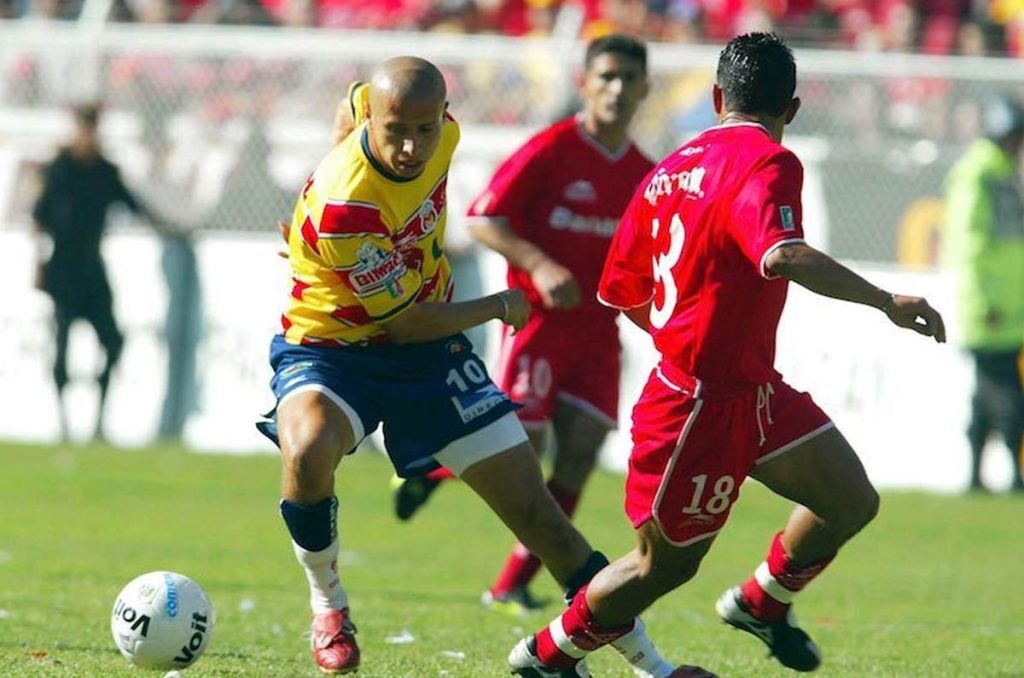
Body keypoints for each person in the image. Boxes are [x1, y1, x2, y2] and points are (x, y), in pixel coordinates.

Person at [509, 32, 946, 676]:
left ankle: (761, 603)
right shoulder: (768, 161)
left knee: (850, 498)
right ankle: (545, 656)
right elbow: (781, 254)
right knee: (661, 567)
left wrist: (687, 327)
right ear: (791, 110)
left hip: (750, 390)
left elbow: (621, 289)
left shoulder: (666, 169)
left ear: (717, 98)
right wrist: (886, 300)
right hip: (698, 406)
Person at [257, 56, 676, 677]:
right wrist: (499, 304)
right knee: (309, 448)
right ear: (376, 116)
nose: (410, 146)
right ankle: (328, 605)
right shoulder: (348, 205)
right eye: (394, 129)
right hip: (335, 347)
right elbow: (401, 321)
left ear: (442, 118)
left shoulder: (438, 130)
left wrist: (342, 136)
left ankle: (656, 669)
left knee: (541, 517)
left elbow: (350, 104)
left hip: (427, 357)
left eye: (423, 130)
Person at [391, 33, 656, 617]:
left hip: (598, 332)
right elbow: (484, 217)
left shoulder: (644, 172)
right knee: (523, 449)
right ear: (584, 83)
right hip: (538, 325)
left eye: (627, 79)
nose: (615, 89)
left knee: (582, 452)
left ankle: (512, 580)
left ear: (644, 89)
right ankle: (435, 471)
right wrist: (537, 262)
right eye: (605, 76)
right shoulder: (552, 149)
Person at [32, 102, 172, 442]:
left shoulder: (105, 171)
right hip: (63, 265)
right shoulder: (59, 169)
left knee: (112, 340)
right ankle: (63, 422)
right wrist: (37, 263)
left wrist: (171, 227)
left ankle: (98, 421)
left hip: (92, 265)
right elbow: (39, 216)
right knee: (62, 339)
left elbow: (133, 204)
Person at [942, 93, 1024, 493]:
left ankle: (975, 475)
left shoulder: (999, 173)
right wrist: (988, 302)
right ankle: (1013, 474)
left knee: (986, 394)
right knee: (1008, 394)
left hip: (1005, 305)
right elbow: (968, 245)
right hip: (992, 309)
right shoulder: (981, 176)